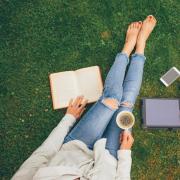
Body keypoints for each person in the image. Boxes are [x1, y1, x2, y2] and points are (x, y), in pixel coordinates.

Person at [12, 15, 156, 180]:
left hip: (77, 147)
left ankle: (127, 47)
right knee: (126, 105)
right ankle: (141, 45)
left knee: (112, 98)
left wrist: (69, 118)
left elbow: (42, 155)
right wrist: (124, 154)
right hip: (107, 160)